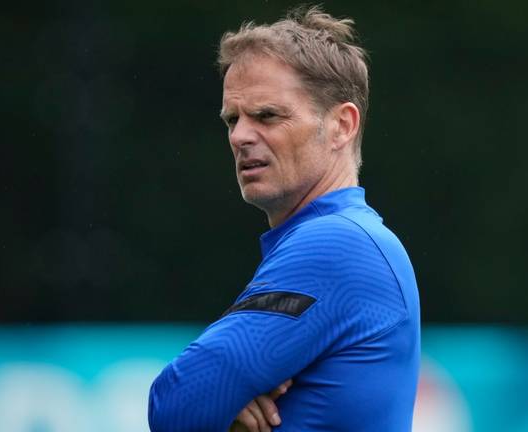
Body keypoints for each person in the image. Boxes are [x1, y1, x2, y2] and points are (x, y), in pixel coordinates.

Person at [148, 6, 420, 431]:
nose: (239, 136)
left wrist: (223, 402)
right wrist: (227, 403)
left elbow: (174, 403)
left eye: (267, 115)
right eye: (233, 119)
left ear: (342, 125)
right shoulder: (347, 238)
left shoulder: (338, 243)